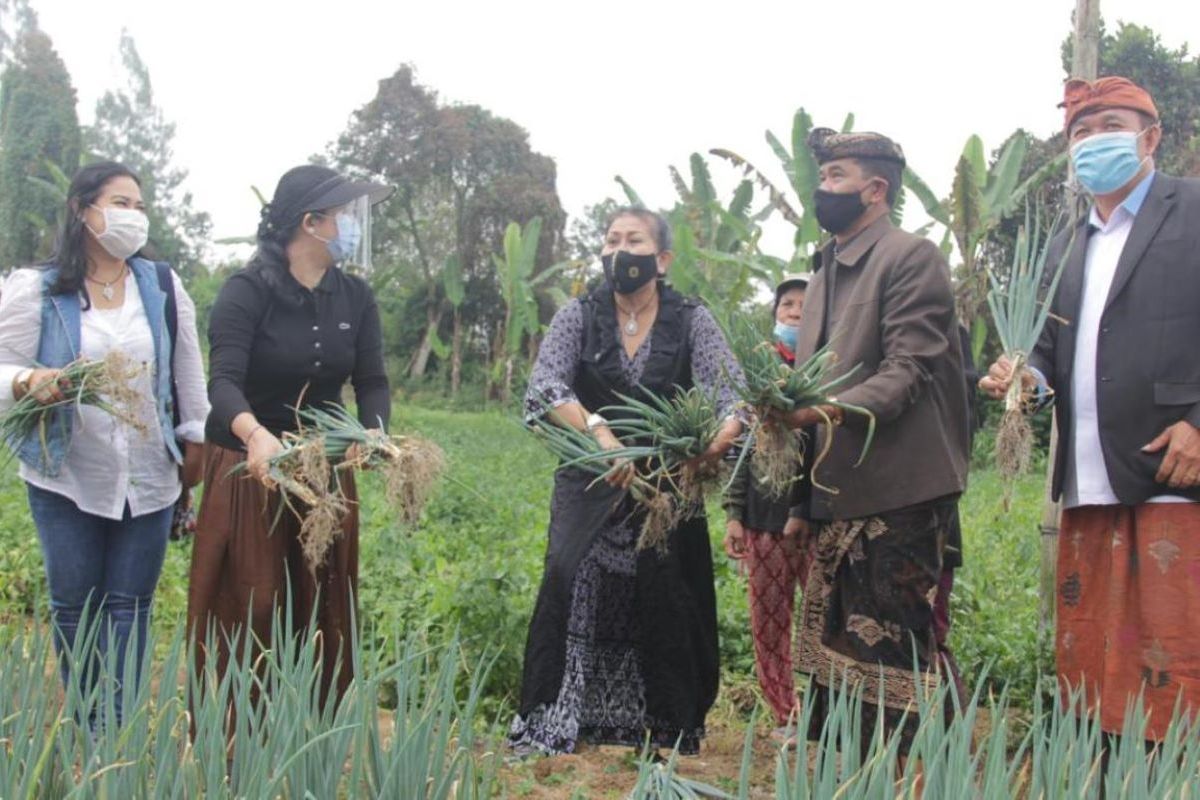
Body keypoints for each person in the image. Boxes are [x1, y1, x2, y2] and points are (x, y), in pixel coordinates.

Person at [981, 77, 1200, 741]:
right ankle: (1104, 771)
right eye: (1080, 131)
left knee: (1176, 646)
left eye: (1109, 123)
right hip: (1088, 477)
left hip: (1172, 469)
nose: (1092, 139)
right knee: (1095, 649)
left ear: (1151, 137)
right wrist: (1023, 378)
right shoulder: (1067, 244)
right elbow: (1048, 350)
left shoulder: (1191, 211)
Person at [510, 207, 742, 757]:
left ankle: (662, 726)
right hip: (590, 476)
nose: (620, 251)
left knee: (666, 590)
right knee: (572, 575)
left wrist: (715, 440)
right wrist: (597, 430)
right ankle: (555, 719)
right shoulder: (579, 314)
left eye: (634, 240)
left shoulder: (691, 319)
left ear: (661, 259)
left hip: (667, 484)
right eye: (611, 240)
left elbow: (730, 393)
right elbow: (544, 387)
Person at [779, 128, 970, 751]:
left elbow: (908, 369)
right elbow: (807, 388)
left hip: (901, 491)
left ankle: (921, 773)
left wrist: (821, 412)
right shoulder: (825, 269)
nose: (822, 189)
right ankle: (849, 772)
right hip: (839, 494)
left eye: (837, 178)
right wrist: (803, 505)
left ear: (877, 189)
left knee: (893, 644)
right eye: (823, 177)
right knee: (837, 649)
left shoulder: (910, 256)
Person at [0, 161, 208, 725]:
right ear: (82, 210)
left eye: (139, 207)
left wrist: (194, 438)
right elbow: (3, 368)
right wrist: (27, 381)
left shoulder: (161, 285)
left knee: (131, 607)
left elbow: (187, 370)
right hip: (66, 475)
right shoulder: (39, 289)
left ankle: (115, 731)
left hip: (149, 475)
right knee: (76, 607)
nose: (132, 217)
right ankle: (87, 718)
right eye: (120, 203)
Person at [187, 164, 393, 703]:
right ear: (311, 222)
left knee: (323, 598)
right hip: (250, 467)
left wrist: (372, 434)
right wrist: (255, 435)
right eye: (344, 215)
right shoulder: (246, 290)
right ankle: (234, 737)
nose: (352, 226)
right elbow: (224, 382)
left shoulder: (355, 297)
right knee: (254, 602)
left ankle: (309, 735)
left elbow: (371, 381)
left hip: (323, 472)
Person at [722, 273, 814, 738]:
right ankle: (786, 713)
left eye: (805, 304)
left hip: (819, 519)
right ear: (775, 314)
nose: (795, 312)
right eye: (787, 305)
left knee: (821, 618)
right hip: (762, 517)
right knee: (769, 623)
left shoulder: (828, 370)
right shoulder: (754, 373)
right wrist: (734, 514)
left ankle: (824, 711)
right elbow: (736, 449)